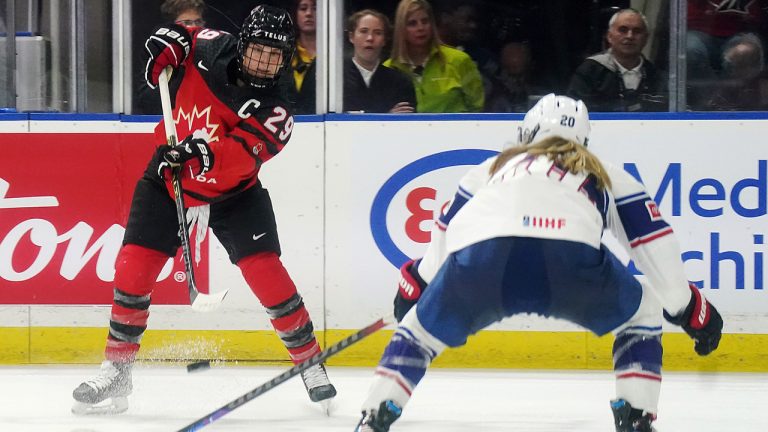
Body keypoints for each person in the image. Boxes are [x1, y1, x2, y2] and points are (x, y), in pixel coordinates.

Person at [354, 94, 723, 432]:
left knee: (419, 332)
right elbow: (653, 243)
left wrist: (415, 286)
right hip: (569, 261)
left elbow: (444, 234)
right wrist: (689, 308)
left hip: (484, 261)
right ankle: (637, 418)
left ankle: (374, 416)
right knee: (643, 311)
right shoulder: (604, 172)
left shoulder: (491, 168)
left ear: (527, 130)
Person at [71, 5, 336, 415]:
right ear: (243, 43)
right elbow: (183, 37)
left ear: (285, 59)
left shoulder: (278, 107)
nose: (264, 61)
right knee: (133, 268)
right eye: (258, 50)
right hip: (168, 178)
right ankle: (117, 370)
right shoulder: (214, 48)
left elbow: (241, 156)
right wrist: (170, 45)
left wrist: (201, 151)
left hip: (235, 194)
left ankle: (310, 362)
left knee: (266, 272)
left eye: (275, 54)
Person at [384, 0, 484, 113]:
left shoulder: (459, 60)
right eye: (412, 23)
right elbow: (378, 114)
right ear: (401, 29)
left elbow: (477, 108)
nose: (420, 28)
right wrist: (390, 116)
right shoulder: (388, 68)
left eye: (425, 21)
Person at [567, 9, 667, 112]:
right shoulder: (590, 71)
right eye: (623, 30)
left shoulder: (657, 76)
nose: (630, 36)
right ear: (609, 36)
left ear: (646, 38)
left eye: (637, 31)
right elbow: (575, 112)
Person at [686, 0, 768, 108]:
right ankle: (707, 104)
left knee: (744, 52)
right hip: (698, 28)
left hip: (743, 30)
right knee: (689, 50)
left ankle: (729, 103)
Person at [134, 0, 207, 115]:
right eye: (187, 22)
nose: (194, 27)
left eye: (198, 22)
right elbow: (147, 101)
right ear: (171, 27)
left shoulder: (211, 54)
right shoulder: (158, 55)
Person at [344, 9, 416, 113]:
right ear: (351, 37)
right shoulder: (334, 80)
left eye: (377, 33)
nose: (370, 38)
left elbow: (407, 122)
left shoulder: (401, 82)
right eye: (364, 31)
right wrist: (387, 116)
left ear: (384, 40)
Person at [485, 40, 548, 113]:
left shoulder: (544, 99)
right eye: (510, 75)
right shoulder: (492, 100)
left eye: (520, 76)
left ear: (529, 69)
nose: (515, 81)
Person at [287, 0, 317, 114]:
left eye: (315, 8)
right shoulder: (284, 53)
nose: (309, 13)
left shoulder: (334, 56)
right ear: (295, 14)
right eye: (303, 8)